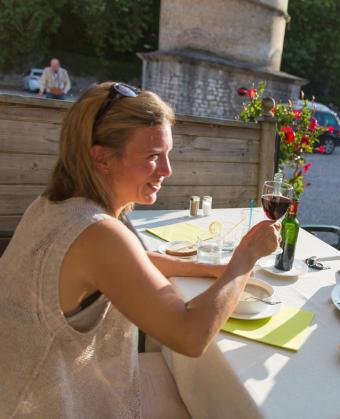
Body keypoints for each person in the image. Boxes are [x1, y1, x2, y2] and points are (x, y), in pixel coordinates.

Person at [0, 82, 280, 417]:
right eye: (152, 157)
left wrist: (212, 271)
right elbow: (190, 336)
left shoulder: (53, 206)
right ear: (102, 157)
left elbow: (133, 263)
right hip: (46, 403)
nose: (167, 171)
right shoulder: (99, 233)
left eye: (168, 154)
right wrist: (245, 257)